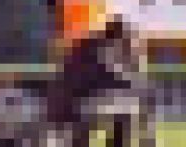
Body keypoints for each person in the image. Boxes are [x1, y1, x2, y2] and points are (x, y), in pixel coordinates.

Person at [46, 17, 155, 147]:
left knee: (126, 109)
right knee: (131, 109)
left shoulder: (87, 47)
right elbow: (120, 80)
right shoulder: (107, 50)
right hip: (82, 102)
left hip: (73, 103)